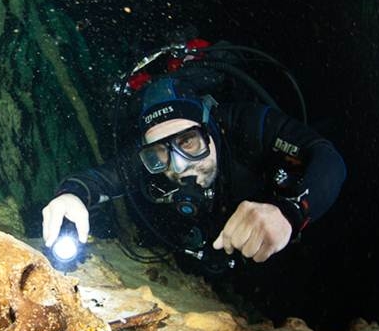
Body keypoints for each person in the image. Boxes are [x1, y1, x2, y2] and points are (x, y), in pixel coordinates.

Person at [42, 39, 346, 276]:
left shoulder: (247, 125)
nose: (180, 164)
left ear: (210, 127)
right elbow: (99, 179)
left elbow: (328, 158)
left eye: (189, 141)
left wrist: (289, 211)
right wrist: (71, 195)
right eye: (161, 150)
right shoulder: (154, 160)